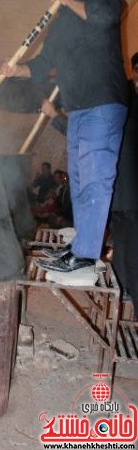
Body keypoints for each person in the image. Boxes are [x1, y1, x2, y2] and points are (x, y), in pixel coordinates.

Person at [0, 0, 128, 273]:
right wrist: (18, 69)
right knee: (81, 181)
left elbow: (103, 19)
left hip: (103, 103)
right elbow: (42, 66)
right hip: (78, 108)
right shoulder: (59, 26)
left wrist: (67, 0)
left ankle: (86, 255)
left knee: (95, 179)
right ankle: (81, 247)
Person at [110, 52, 138, 316]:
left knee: (130, 254)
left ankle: (125, 293)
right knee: (124, 253)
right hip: (124, 194)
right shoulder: (125, 98)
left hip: (127, 195)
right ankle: (121, 294)